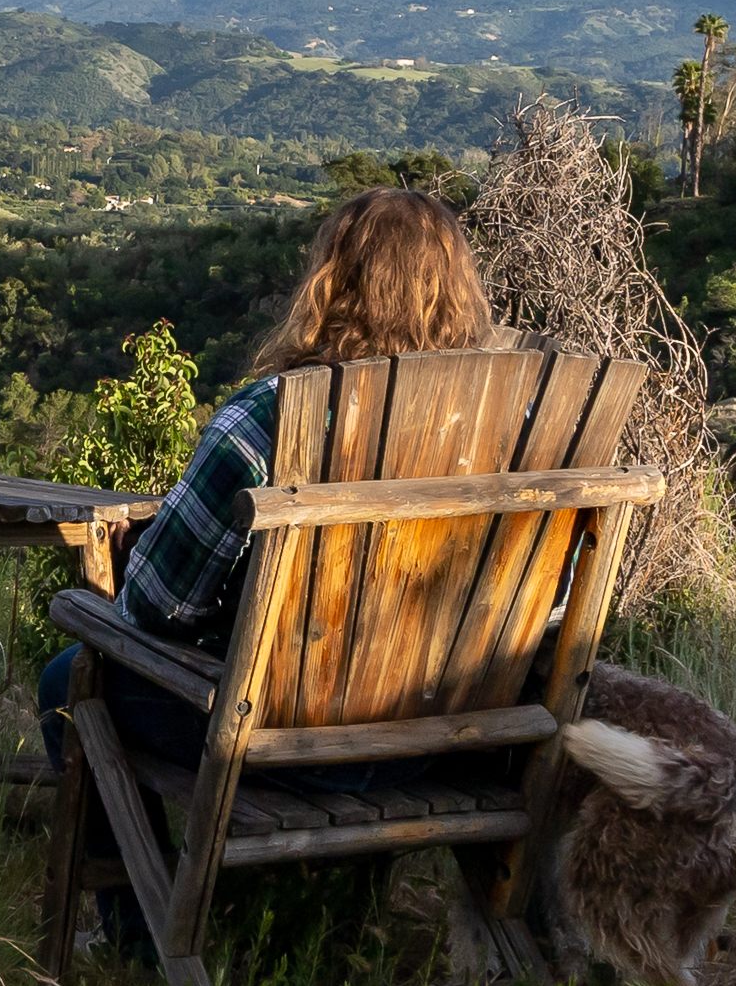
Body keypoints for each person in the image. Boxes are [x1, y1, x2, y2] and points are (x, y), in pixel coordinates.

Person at [38, 187, 494, 943]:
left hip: (288, 740)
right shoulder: (504, 427)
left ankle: (141, 937)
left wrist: (134, 565)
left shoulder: (267, 418)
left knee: (67, 680)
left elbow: (156, 607)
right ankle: (324, 924)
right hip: (444, 734)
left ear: (331, 283)